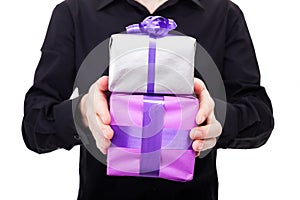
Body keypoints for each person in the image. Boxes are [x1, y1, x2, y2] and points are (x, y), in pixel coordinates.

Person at [21, 0, 274, 199]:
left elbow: (259, 116)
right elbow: (35, 125)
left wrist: (215, 118)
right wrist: (82, 114)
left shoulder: (224, 14)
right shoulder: (73, 11)